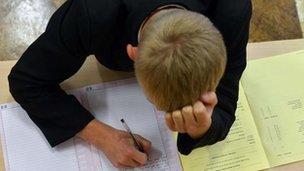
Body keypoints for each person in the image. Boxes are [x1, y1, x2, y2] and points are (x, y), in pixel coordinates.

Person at [8, 0, 252, 169]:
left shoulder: (231, 10)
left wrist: (202, 127)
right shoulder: (92, 12)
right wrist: (100, 135)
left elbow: (226, 101)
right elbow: (26, 81)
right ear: (132, 54)